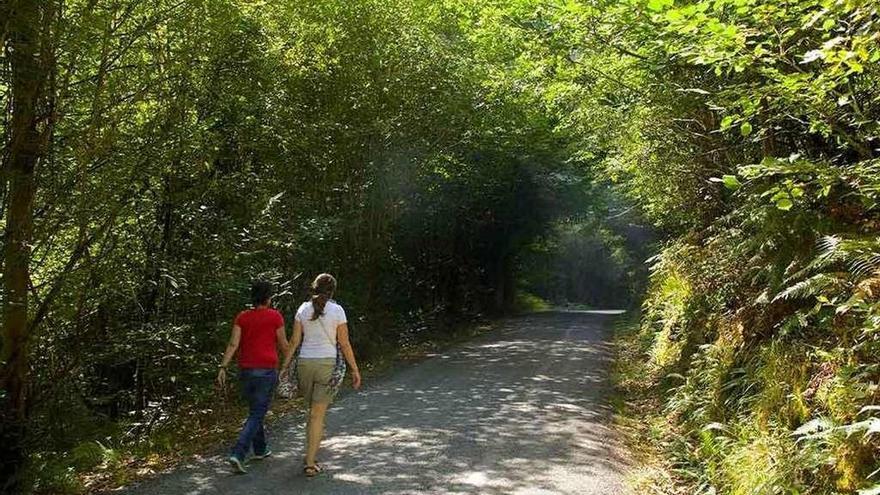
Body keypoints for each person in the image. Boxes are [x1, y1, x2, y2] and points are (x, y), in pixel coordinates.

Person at [280, 273, 362, 477]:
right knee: (318, 415)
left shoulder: (302, 309)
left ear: (314, 287)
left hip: (305, 364)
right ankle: (310, 463)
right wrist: (354, 369)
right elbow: (344, 343)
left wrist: (284, 366)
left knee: (312, 412)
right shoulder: (337, 310)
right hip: (327, 364)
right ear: (333, 290)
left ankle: (310, 453)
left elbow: (294, 342)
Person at [216, 281, 288, 474]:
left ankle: (260, 448)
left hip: (246, 371)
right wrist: (290, 364)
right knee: (257, 413)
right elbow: (283, 344)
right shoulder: (275, 316)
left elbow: (233, 344)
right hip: (266, 371)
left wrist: (223, 366)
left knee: (255, 411)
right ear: (268, 298)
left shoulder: (242, 317)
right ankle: (238, 453)